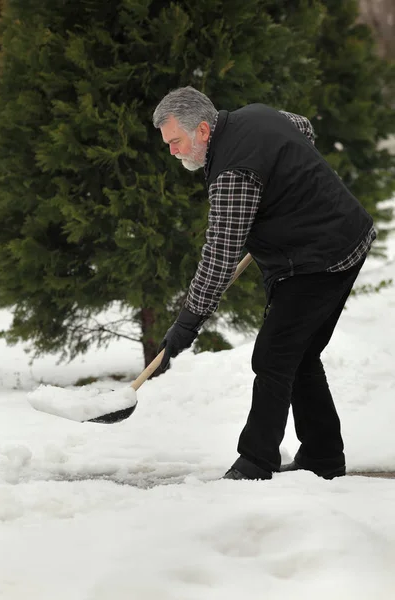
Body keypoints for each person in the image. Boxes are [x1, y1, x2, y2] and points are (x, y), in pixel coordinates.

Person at [152, 86, 376, 481]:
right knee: (299, 356)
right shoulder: (256, 115)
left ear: (203, 130)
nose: (172, 151)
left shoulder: (233, 174)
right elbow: (302, 129)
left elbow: (220, 256)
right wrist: (285, 186)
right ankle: (324, 457)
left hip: (318, 260)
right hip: (345, 238)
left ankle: (256, 462)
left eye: (176, 141)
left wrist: (187, 322)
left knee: (272, 357)